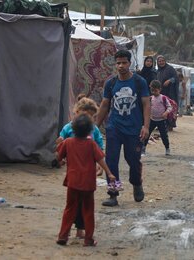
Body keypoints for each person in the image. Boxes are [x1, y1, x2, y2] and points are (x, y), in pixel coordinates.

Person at [96, 50, 150, 207]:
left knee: (132, 159)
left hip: (134, 129)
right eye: (118, 63)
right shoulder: (111, 83)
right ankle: (113, 193)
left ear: (130, 63)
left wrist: (146, 127)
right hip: (114, 127)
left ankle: (136, 182)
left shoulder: (140, 82)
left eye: (124, 62)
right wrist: (95, 127)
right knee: (111, 161)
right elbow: (105, 105)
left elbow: (147, 104)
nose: (121, 66)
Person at [56, 113, 116, 247]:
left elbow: (58, 157)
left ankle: (63, 236)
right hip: (88, 184)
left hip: (72, 182)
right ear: (90, 130)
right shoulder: (91, 144)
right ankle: (88, 239)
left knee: (69, 209)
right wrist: (109, 173)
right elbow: (101, 160)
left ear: (73, 129)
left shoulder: (68, 142)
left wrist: (61, 159)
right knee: (88, 211)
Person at [55, 97, 104, 239]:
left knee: (83, 203)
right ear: (76, 112)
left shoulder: (94, 130)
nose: (87, 119)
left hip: (88, 173)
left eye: (91, 116)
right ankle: (68, 229)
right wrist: (60, 155)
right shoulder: (68, 128)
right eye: (85, 115)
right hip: (74, 172)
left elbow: (99, 148)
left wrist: (100, 167)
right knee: (73, 203)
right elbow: (61, 145)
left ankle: (79, 229)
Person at [142, 80, 172, 156]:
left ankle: (167, 148)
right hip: (152, 119)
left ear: (160, 89)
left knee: (164, 135)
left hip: (161, 120)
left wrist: (166, 113)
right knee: (147, 134)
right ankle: (143, 148)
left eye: (155, 90)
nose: (154, 92)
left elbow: (170, 107)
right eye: (152, 90)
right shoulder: (150, 98)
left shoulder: (163, 98)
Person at [156, 55, 179, 128]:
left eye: (162, 61)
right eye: (159, 61)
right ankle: (161, 125)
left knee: (170, 107)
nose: (161, 62)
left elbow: (176, 78)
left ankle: (170, 125)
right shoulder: (158, 71)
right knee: (161, 108)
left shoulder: (170, 69)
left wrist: (169, 80)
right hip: (161, 93)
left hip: (170, 93)